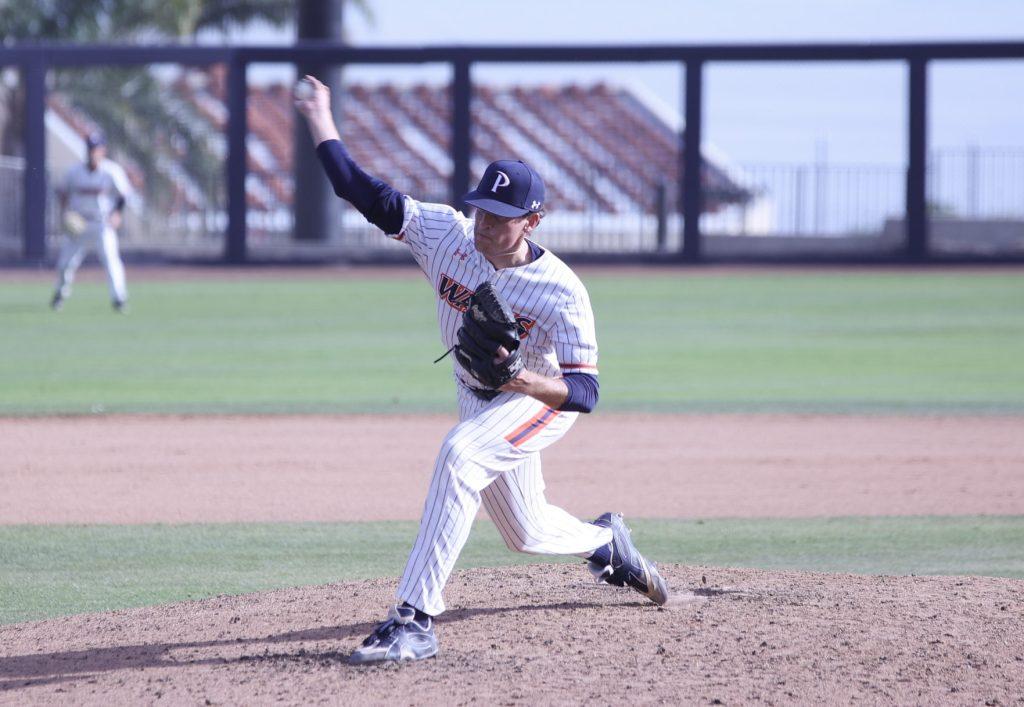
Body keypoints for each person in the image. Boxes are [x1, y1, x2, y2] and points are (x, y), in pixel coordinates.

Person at [295, 75, 669, 665]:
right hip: (476, 395)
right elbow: (358, 190)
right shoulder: (447, 235)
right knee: (527, 533)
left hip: (535, 399)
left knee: (460, 456)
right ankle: (606, 542)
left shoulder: (561, 291)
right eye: (480, 211)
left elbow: (586, 392)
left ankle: (414, 619)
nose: (484, 225)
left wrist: (520, 378)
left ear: (533, 221)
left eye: (500, 217)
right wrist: (320, 117)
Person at [50, 131, 132, 312]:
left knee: (111, 262)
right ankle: (60, 294)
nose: (92, 152)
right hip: (78, 225)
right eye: (89, 148)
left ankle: (119, 298)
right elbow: (63, 192)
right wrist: (64, 214)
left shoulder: (111, 171)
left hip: (102, 224)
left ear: (102, 150)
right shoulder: (74, 172)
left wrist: (117, 214)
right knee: (65, 263)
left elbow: (123, 195)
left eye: (95, 148)